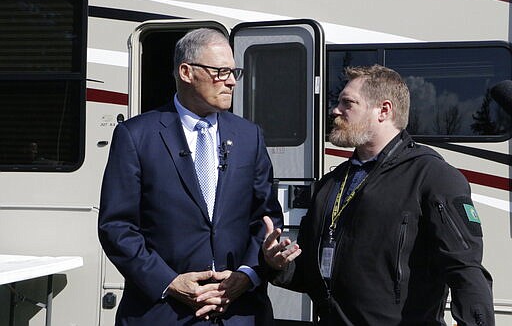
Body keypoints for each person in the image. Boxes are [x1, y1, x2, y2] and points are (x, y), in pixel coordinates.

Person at [262, 65, 495, 325]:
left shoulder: (433, 176)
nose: (335, 110)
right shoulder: (330, 184)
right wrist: (278, 264)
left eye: (347, 103)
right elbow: (309, 275)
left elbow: (466, 272)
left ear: (384, 110)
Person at [98, 28, 283, 325]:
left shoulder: (249, 136)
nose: (232, 81)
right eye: (221, 71)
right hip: (162, 313)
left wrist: (246, 275)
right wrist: (169, 282)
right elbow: (117, 226)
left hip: (238, 312)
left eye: (234, 71)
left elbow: (266, 217)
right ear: (186, 72)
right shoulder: (136, 136)